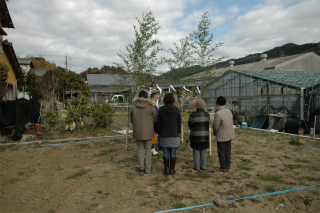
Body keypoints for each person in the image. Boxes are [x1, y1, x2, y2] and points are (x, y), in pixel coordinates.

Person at [130, 91, 157, 174]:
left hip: (138, 131)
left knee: (140, 150)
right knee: (148, 150)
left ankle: (141, 168)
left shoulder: (134, 107)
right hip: (148, 132)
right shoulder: (151, 107)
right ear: (147, 97)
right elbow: (155, 119)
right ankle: (148, 168)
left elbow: (132, 120)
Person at [157, 93, 181, 175]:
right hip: (174, 134)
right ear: (173, 99)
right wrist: (179, 132)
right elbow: (179, 123)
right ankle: (172, 169)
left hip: (164, 134)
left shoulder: (161, 110)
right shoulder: (177, 109)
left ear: (164, 99)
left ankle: (166, 169)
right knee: (173, 152)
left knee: (165, 152)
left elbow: (158, 123)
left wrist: (159, 132)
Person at [212, 96, 235, 172]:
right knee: (227, 151)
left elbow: (215, 126)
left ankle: (223, 167)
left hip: (221, 135)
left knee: (221, 152)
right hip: (229, 134)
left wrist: (215, 133)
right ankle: (227, 166)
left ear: (217, 104)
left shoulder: (218, 114)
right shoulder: (229, 111)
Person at [188, 99, 210, 171]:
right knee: (203, 151)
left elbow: (190, 125)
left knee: (196, 151)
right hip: (205, 136)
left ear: (196, 106)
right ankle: (203, 166)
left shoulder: (193, 115)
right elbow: (208, 124)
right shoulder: (207, 115)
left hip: (195, 136)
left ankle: (196, 167)